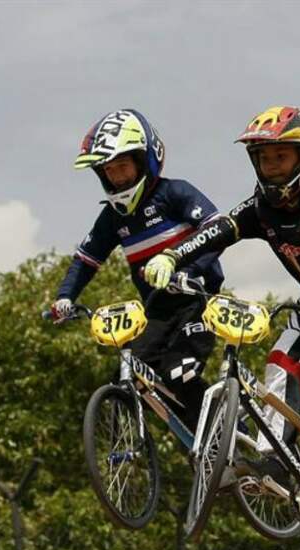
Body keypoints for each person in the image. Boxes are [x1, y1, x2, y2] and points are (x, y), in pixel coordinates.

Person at [143, 106, 300, 515]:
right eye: (265, 159)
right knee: (279, 366)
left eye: (281, 157)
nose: (273, 168)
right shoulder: (261, 209)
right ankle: (278, 458)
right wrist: (174, 256)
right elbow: (220, 230)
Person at [51, 109, 224, 430]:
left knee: (178, 373)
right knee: (130, 375)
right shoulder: (113, 218)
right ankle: (192, 447)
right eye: (109, 171)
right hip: (157, 310)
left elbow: (216, 229)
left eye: (123, 167)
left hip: (198, 302)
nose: (117, 177)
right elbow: (85, 260)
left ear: (145, 160)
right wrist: (64, 297)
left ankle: (232, 431)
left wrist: (193, 270)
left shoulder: (175, 193)